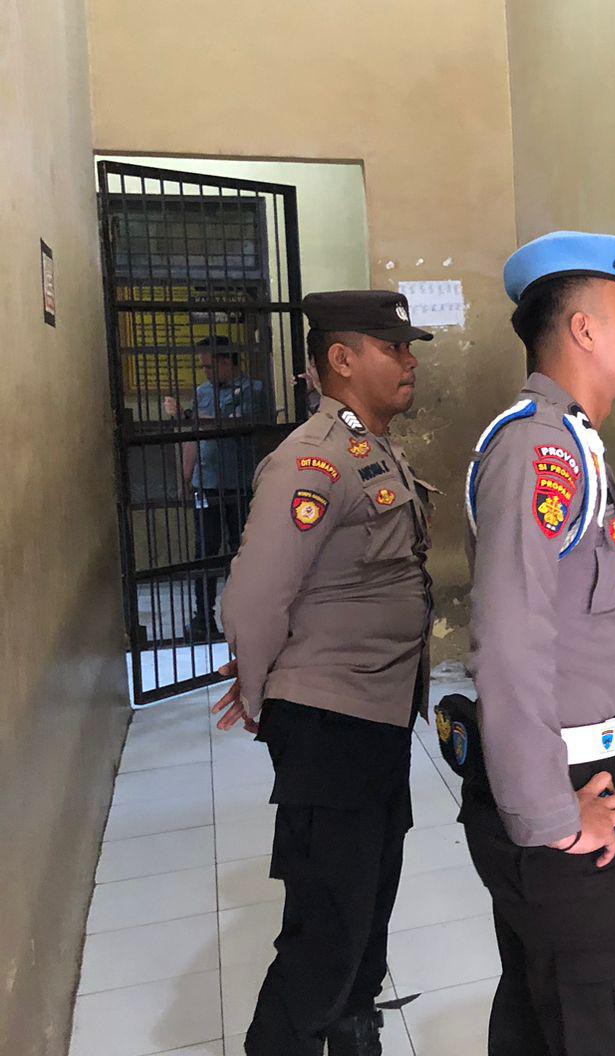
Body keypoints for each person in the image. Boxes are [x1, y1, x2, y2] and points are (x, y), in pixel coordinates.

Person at [460, 230, 615, 1055]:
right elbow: (510, 643)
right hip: (565, 786)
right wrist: (551, 815)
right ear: (584, 329)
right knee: (613, 1028)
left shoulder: (572, 441)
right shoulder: (540, 449)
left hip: (583, 772)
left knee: (544, 1015)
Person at [212, 290, 436, 1056]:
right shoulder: (312, 459)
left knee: (368, 904)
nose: (409, 360)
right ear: (341, 359)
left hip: (376, 719)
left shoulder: (375, 448)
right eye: (393, 347)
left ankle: (352, 1028)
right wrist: (257, 691)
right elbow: (254, 597)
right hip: (331, 724)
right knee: (327, 930)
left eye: (409, 346)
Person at [162, 335, 266, 642]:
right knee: (204, 554)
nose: (206, 372)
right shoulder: (202, 392)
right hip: (206, 484)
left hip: (239, 483)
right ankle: (202, 619)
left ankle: (243, 616)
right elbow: (194, 435)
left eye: (209, 366)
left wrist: (186, 416)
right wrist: (186, 476)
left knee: (241, 552)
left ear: (225, 362)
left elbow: (233, 424)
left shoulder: (254, 390)